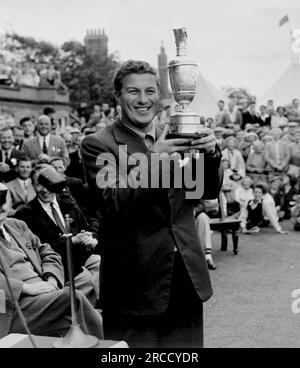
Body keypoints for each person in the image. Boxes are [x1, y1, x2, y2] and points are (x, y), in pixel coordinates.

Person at [81, 60, 222, 348]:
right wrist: (153, 159)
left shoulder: (177, 134)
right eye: (133, 91)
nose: (143, 100)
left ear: (159, 95)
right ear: (117, 96)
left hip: (184, 278)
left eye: (150, 91)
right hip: (134, 288)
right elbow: (114, 203)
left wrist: (211, 153)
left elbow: (203, 191)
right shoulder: (98, 144)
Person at [0, 183, 103, 339]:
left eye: (3, 200)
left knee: (71, 322)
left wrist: (52, 281)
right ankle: (108, 346)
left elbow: (49, 253)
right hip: (15, 306)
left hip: (44, 295)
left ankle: (108, 344)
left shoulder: (16, 225)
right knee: (72, 298)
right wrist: (26, 288)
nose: (1, 206)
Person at [15, 165, 100, 306]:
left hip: (82, 258)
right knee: (91, 280)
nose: (45, 189)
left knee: (107, 266)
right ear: (32, 185)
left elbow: (84, 226)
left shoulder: (68, 201)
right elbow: (39, 252)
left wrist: (88, 237)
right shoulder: (25, 214)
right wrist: (72, 241)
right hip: (61, 268)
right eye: (39, 184)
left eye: (48, 183)